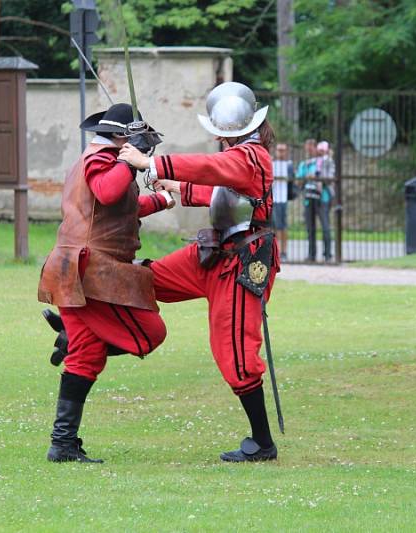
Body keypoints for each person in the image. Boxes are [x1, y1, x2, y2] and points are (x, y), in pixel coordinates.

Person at [118, 81, 280, 462]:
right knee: (147, 279)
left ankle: (262, 443)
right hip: (213, 253)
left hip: (243, 262)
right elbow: (220, 193)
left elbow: (213, 168)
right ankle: (91, 331)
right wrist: (173, 184)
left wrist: (152, 163)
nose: (221, 140)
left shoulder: (252, 157)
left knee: (236, 353)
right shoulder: (239, 156)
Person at [37, 103, 174, 463]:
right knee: (151, 332)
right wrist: (129, 161)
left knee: (86, 354)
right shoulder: (101, 157)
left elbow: (119, 207)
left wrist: (161, 199)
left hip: (80, 270)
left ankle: (62, 444)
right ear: (120, 136)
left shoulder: (108, 159)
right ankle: (69, 334)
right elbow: (108, 192)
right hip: (91, 272)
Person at [296, 139, 334, 262]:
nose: (311, 149)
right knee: (310, 228)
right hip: (309, 199)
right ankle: (311, 255)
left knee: (325, 227)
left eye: (313, 147)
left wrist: (318, 177)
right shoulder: (305, 164)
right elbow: (298, 182)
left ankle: (327, 255)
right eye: (308, 147)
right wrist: (307, 178)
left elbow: (330, 179)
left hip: (323, 199)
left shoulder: (326, 162)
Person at [271, 142, 294, 261]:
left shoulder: (288, 165)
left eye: (283, 150)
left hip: (281, 199)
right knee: (272, 227)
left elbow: (292, 180)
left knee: (281, 226)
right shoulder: (271, 163)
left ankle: (283, 252)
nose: (280, 152)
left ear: (286, 151)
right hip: (272, 199)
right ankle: (275, 251)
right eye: (279, 150)